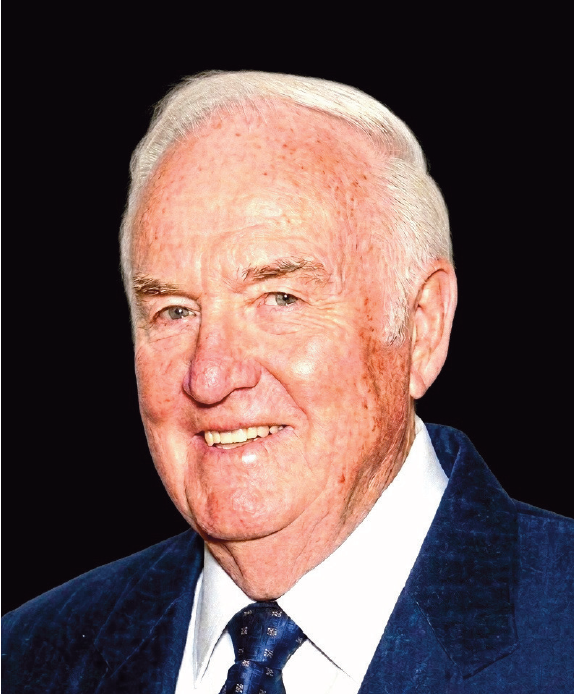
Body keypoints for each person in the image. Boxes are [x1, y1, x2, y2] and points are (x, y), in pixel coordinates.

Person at [2, 70, 572, 693]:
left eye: (280, 298)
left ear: (421, 327)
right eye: (174, 311)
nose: (210, 376)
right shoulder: (28, 659)